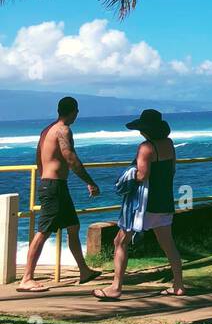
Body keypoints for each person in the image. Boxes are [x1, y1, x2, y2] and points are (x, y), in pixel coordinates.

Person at [95, 108, 185, 301]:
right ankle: (178, 285)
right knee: (168, 244)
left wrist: (128, 174)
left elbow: (143, 175)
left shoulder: (145, 148)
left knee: (120, 241)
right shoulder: (169, 144)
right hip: (164, 201)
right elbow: (173, 169)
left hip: (144, 204)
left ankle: (116, 287)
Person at [17, 96, 101, 292]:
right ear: (73, 111)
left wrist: (44, 177)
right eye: (76, 112)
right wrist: (90, 182)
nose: (77, 115)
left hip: (54, 185)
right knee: (44, 231)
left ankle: (84, 271)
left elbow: (39, 157)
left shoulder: (47, 130)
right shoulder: (63, 130)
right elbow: (71, 158)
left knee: (73, 226)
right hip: (54, 186)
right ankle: (26, 278)